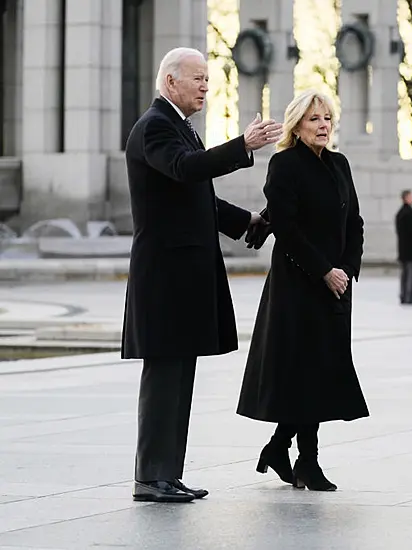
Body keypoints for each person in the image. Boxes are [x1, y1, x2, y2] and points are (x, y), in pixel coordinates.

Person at [121, 47, 282, 503]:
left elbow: (198, 198)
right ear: (170, 82)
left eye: (208, 80)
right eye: (198, 79)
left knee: (180, 377)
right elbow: (186, 169)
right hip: (164, 277)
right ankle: (151, 477)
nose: (206, 87)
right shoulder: (155, 127)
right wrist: (242, 146)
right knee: (164, 377)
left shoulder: (178, 127)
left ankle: (167, 475)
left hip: (182, 276)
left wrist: (247, 221)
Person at [237, 90, 368, 492]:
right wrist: (324, 270)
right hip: (298, 285)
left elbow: (355, 224)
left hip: (335, 286)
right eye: (314, 119)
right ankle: (306, 462)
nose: (323, 125)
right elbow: (288, 231)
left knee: (321, 374)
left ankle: (280, 448)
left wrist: (344, 270)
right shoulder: (284, 165)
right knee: (302, 374)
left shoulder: (339, 164)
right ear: (297, 125)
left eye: (327, 118)